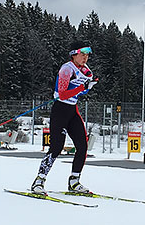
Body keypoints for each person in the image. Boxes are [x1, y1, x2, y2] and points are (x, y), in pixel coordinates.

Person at [31, 41, 98, 195]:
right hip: (60, 109)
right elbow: (62, 93)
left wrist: (88, 87)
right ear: (74, 54)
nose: (85, 58)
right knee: (56, 147)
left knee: (82, 146)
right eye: (82, 54)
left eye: (87, 55)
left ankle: (74, 181)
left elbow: (79, 94)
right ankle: (39, 181)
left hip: (72, 110)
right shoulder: (66, 69)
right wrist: (82, 87)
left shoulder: (87, 71)